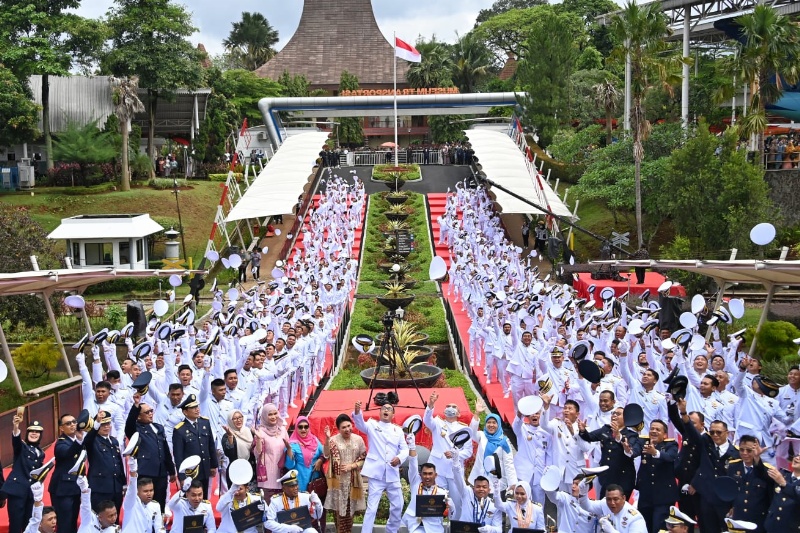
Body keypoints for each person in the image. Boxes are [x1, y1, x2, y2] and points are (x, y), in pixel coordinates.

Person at [352, 400, 408, 533]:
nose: (386, 410)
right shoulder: (372, 425)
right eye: (383, 408)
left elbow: (405, 449)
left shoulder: (398, 430)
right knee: (372, 508)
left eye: (389, 409)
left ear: (393, 414)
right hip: (376, 474)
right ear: (380, 412)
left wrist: (399, 458)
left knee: (398, 506)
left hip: (392, 473)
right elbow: (359, 424)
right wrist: (357, 412)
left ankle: (391, 530)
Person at [125, 394, 176, 511]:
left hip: (161, 472)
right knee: (145, 504)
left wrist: (171, 470)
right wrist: (136, 405)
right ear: (138, 417)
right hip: (146, 471)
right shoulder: (136, 429)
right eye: (147, 412)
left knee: (160, 502)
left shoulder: (158, 427)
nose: (150, 414)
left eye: (151, 411)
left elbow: (165, 450)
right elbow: (129, 424)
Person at [577, 407, 642, 498]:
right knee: (604, 506)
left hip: (623, 477)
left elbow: (631, 450)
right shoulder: (605, 429)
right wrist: (583, 430)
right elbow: (590, 437)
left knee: (619, 507)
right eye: (613, 413)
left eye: (618, 414)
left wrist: (618, 436)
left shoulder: (632, 434)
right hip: (607, 476)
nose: (614, 415)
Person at [323, 414, 367, 533]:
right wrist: (327, 439)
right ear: (338, 429)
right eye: (344, 427)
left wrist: (351, 466)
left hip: (353, 481)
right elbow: (326, 455)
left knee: (349, 513)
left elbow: (364, 458)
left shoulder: (358, 439)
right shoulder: (333, 440)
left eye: (349, 426)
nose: (347, 429)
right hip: (338, 483)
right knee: (339, 514)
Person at [401, 432, 453, 533]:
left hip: (434, 528)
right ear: (420, 475)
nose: (427, 477)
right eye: (424, 474)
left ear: (435, 475)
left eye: (430, 474)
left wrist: (450, 506)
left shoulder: (442, 493)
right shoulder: (415, 483)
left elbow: (450, 515)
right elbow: (413, 463)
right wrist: (412, 446)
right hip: (415, 525)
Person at [423, 391, 474, 492]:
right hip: (438, 467)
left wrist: (455, 454)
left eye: (454, 407)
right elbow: (427, 420)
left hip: (454, 470)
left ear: (459, 414)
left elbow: (468, 451)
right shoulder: (437, 423)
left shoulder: (464, 429)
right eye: (448, 406)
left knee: (456, 502)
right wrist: (431, 404)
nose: (450, 407)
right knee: (437, 499)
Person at [3, 416, 46, 533]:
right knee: (16, 524)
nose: (34, 433)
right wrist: (16, 426)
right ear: (27, 433)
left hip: (31, 493)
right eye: (32, 431)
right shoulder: (22, 447)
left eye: (37, 432)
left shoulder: (41, 453)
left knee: (29, 523)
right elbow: (16, 440)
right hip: (17, 491)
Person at [635, 420, 679, 533]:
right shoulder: (643, 442)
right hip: (646, 495)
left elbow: (670, 457)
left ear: (665, 435)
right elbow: (634, 451)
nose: (654, 431)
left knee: (658, 528)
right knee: (644, 527)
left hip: (663, 496)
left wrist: (655, 452)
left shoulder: (671, 444)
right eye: (652, 429)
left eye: (657, 429)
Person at [173, 393, 218, 499]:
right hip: (191, 472)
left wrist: (213, 465)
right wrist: (182, 477)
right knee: (191, 499)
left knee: (204, 498)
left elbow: (210, 445)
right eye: (193, 408)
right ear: (185, 412)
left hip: (205, 467)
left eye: (197, 406)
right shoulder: (180, 430)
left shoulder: (204, 422)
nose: (197, 409)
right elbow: (178, 456)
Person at [726, 435, 774, 532]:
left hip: (757, 519)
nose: (745, 453)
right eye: (742, 450)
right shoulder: (733, 466)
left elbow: (770, 495)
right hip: (738, 518)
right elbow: (728, 490)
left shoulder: (767, 470)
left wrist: (757, 459)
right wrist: (731, 507)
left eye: (749, 450)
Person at [84, 411, 125, 514]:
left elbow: (119, 463)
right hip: (100, 488)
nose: (106, 427)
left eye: (108, 424)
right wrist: (96, 423)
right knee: (99, 518)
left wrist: (124, 483)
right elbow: (88, 439)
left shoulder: (113, 441)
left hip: (116, 487)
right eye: (103, 424)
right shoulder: (93, 441)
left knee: (114, 517)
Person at [49, 413, 84, 533]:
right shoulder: (61, 442)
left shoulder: (78, 440)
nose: (73, 425)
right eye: (68, 423)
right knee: (65, 523)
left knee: (73, 522)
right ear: (61, 428)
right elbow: (67, 453)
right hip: (62, 490)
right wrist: (79, 442)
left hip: (75, 487)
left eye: (74, 422)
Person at [450, 459, 502, 533]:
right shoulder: (467, 494)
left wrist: (489, 529)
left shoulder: (495, 506)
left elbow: (499, 530)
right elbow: (458, 479)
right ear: (473, 488)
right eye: (478, 486)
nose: (481, 489)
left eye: (484, 487)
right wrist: (455, 462)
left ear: (489, 490)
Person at [469, 412, 516, 493]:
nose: (491, 425)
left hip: (496, 481)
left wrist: (513, 483)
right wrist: (476, 414)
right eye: (489, 422)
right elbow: (472, 432)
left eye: (494, 422)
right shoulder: (482, 436)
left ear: (499, 425)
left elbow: (508, 463)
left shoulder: (504, 441)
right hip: (479, 478)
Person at [253, 402, 289, 499]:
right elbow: (257, 454)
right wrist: (259, 439)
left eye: (275, 413)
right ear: (264, 416)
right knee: (269, 507)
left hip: (282, 474)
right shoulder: (260, 432)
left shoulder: (282, 430)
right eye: (270, 414)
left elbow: (289, 449)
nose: (273, 417)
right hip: (268, 477)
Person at [578, 483, 647, 533]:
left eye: (616, 499)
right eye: (609, 499)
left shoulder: (635, 518)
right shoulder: (605, 504)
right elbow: (589, 506)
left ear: (623, 498)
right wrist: (583, 494)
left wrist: (612, 531)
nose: (612, 503)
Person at [121, 457, 162, 533]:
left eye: (151, 490)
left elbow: (159, 528)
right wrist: (133, 473)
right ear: (137, 492)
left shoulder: (155, 505)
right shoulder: (131, 503)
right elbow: (131, 491)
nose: (149, 493)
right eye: (145, 491)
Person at [284, 416, 324, 491]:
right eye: (300, 427)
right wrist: (289, 450)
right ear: (296, 428)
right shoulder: (292, 444)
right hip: (301, 481)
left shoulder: (314, 440)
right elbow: (289, 466)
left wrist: (320, 460)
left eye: (306, 427)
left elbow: (324, 453)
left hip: (315, 480)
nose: (303, 429)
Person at [764, 454, 800, 532]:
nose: (797, 458)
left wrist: (784, 484)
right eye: (797, 455)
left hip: (791, 528)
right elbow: (762, 476)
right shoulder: (783, 474)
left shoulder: (782, 479)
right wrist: (757, 459)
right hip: (772, 526)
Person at [221, 409, 256, 487]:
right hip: (236, 470)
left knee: (251, 497)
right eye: (235, 418)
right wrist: (230, 437)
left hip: (251, 469)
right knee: (236, 495)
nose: (238, 420)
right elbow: (229, 453)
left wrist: (258, 437)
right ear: (230, 420)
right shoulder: (227, 435)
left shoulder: (249, 432)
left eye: (240, 417)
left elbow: (256, 451)